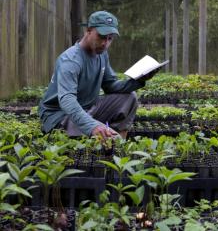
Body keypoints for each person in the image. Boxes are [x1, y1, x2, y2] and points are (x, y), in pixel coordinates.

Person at [38, 10, 156, 140]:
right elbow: (67, 100)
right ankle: (108, 141)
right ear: (88, 31)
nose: (105, 43)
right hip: (61, 117)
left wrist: (138, 81)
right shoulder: (71, 60)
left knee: (129, 98)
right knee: (108, 137)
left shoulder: (101, 54)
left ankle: (117, 144)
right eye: (101, 36)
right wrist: (92, 126)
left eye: (109, 38)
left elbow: (110, 85)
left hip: (88, 109)